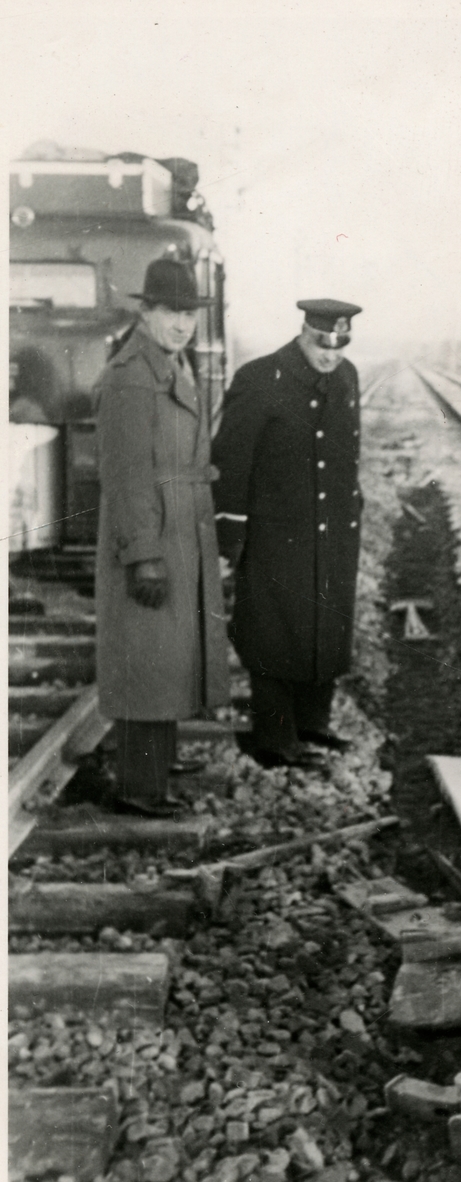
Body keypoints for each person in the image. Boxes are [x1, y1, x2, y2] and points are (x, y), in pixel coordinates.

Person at [95, 258, 230, 815]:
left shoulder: (168, 363)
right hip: (151, 532)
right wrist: (143, 555)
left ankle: (161, 761)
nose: (182, 325)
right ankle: (139, 787)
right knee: (148, 656)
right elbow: (126, 475)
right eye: (171, 312)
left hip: (177, 526)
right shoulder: (131, 376)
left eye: (190, 315)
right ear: (145, 312)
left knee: (168, 653)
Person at [211, 298, 363, 768]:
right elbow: (231, 460)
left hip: (333, 529)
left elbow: (346, 454)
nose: (330, 355)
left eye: (339, 346)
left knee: (326, 626)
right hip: (277, 534)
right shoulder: (260, 378)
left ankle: (313, 723)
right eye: (322, 344)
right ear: (303, 333)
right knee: (274, 634)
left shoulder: (347, 377)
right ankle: (275, 740)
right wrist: (230, 535)